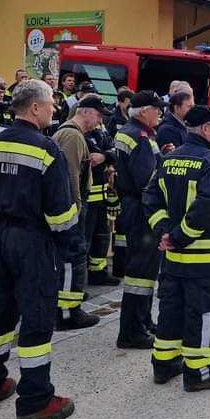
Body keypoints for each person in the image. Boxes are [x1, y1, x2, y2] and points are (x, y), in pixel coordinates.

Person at [0, 79, 77, 419]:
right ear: (34, 107)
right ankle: (35, 400)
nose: (54, 109)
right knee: (36, 318)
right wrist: (64, 247)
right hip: (33, 242)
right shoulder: (47, 150)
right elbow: (60, 215)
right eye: (49, 104)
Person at [143, 105, 210, 391]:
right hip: (204, 255)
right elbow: (208, 206)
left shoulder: (169, 158)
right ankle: (200, 371)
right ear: (206, 128)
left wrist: (165, 232)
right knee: (202, 311)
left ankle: (164, 364)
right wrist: (180, 235)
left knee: (171, 307)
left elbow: (151, 197)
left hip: (173, 255)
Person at [51, 97, 111, 330]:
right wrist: (74, 210)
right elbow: (71, 177)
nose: (99, 121)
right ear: (85, 112)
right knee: (71, 259)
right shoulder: (73, 136)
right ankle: (67, 313)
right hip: (72, 208)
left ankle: (71, 308)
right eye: (97, 115)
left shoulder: (73, 134)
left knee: (74, 258)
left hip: (72, 207)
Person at [114, 91, 163, 349]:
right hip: (142, 210)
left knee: (142, 270)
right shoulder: (141, 137)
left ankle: (142, 321)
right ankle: (132, 331)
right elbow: (148, 181)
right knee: (141, 274)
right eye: (156, 109)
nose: (159, 114)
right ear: (144, 111)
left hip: (131, 205)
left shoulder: (128, 131)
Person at [82, 100, 120, 288]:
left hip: (102, 195)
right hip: (87, 198)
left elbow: (113, 151)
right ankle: (78, 283)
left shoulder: (100, 131)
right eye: (98, 114)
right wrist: (107, 156)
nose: (100, 119)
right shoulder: (80, 133)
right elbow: (93, 155)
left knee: (102, 236)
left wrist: (106, 157)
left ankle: (98, 273)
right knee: (85, 241)